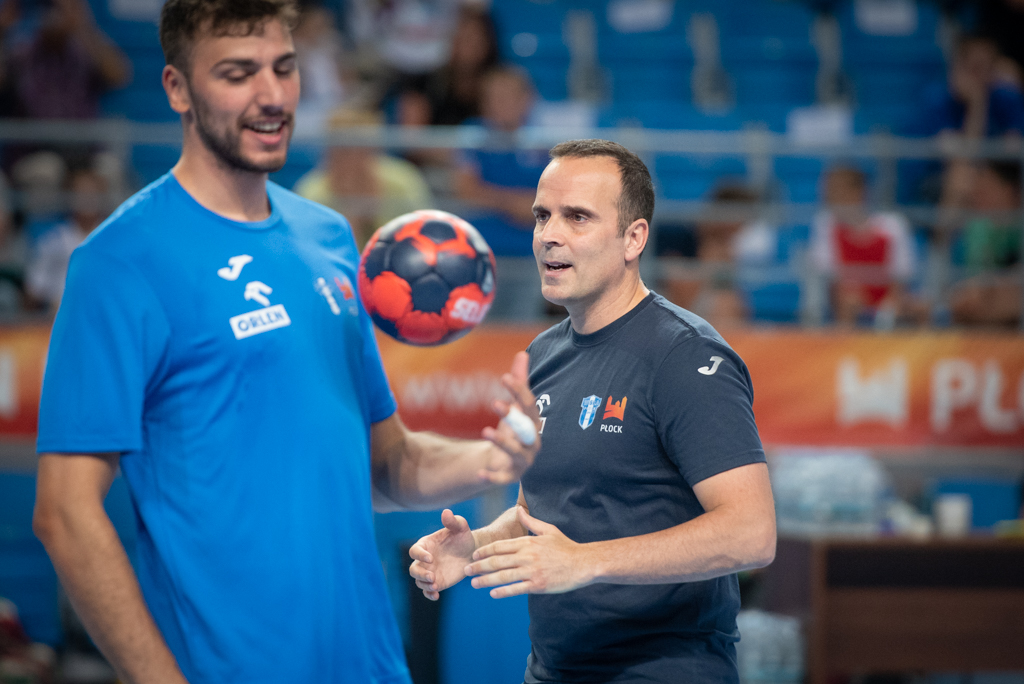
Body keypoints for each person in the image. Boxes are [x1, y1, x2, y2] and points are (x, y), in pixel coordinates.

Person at [31, 2, 540, 684]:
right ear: (177, 88)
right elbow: (64, 513)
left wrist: (493, 459)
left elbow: (386, 462)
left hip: (371, 666)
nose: (271, 95)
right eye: (238, 74)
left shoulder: (330, 238)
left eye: (284, 68)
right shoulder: (120, 261)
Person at [409, 139, 777, 683]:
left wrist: (586, 561)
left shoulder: (684, 355)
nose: (549, 235)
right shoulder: (541, 356)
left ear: (634, 238)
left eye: (577, 217)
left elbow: (752, 533)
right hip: (552, 670)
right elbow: (541, 513)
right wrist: (476, 548)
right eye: (542, 216)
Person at [294, 107, 433, 247]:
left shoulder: (403, 181)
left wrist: (373, 209)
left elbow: (423, 240)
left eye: (361, 150)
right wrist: (353, 216)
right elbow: (313, 252)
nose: (352, 160)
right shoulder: (312, 192)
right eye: (343, 151)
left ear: (375, 149)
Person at [810, 166, 923, 327]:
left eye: (837, 192)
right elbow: (829, 275)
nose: (829, 199)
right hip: (850, 298)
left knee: (921, 307)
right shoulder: (826, 225)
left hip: (888, 296)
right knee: (848, 299)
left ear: (859, 192)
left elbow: (901, 274)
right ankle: (844, 339)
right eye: (829, 193)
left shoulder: (893, 225)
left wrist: (891, 302)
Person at [948, 160, 1022, 327]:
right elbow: (971, 292)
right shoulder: (976, 229)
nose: (978, 194)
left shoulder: (1017, 227)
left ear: (1008, 190)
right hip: (983, 312)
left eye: (987, 188)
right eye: (978, 188)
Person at [25, 167, 111, 311]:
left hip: (101, 311)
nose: (87, 199)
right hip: (57, 312)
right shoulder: (53, 240)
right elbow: (34, 288)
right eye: (81, 193)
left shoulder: (112, 238)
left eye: (93, 193)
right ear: (69, 197)